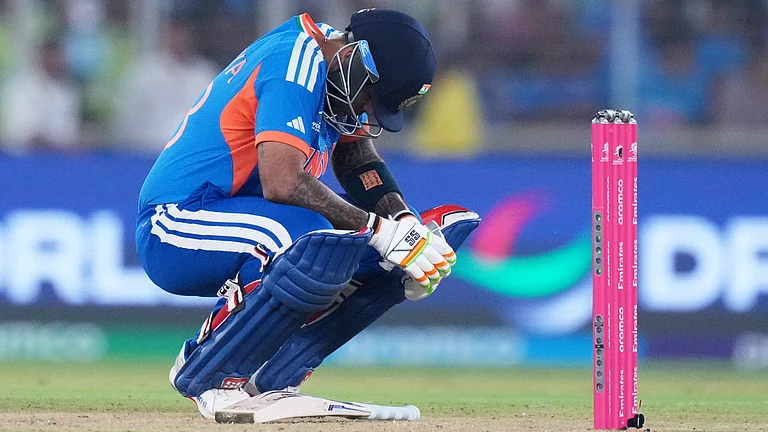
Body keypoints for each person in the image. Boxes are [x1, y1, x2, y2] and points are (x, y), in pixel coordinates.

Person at [135, 9, 480, 419]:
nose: (368, 111)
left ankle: (270, 374)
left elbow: (356, 161)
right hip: (176, 222)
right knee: (311, 238)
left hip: (247, 217)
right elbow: (281, 181)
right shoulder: (294, 62)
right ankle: (210, 371)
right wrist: (381, 232)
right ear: (357, 58)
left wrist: (405, 227)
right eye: (371, 97)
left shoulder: (340, 69)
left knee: (374, 249)